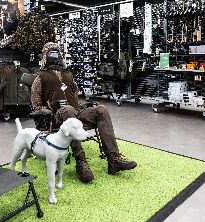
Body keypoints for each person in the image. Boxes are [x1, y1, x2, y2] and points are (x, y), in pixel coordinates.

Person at [31, 42, 137, 183]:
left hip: (76, 112)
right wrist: (49, 108)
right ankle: (81, 162)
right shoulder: (40, 78)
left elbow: (74, 97)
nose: (54, 55)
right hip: (57, 117)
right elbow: (36, 106)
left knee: (102, 110)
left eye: (56, 52)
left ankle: (113, 159)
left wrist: (82, 106)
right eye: (51, 52)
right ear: (45, 55)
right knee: (68, 110)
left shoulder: (68, 74)